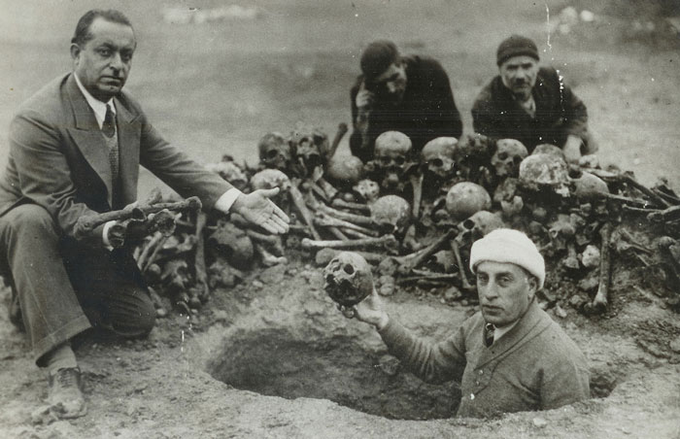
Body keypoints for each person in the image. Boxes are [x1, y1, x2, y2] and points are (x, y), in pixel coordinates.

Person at [0, 9, 289, 419]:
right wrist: (110, 229)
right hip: (34, 236)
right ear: (75, 53)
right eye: (105, 52)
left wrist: (238, 201)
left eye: (127, 55)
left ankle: (39, 305)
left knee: (137, 319)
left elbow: (172, 161)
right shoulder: (38, 118)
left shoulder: (125, 111)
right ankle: (60, 365)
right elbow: (58, 206)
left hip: (89, 240)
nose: (118, 65)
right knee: (27, 219)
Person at [352, 229, 590, 418]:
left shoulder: (561, 360)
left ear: (531, 286)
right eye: (483, 278)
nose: (489, 293)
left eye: (504, 280)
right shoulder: (479, 324)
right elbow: (432, 365)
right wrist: (381, 320)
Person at [471, 35, 595, 163]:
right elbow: (496, 155)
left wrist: (573, 142)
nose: (520, 76)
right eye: (511, 68)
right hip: (517, 160)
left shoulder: (550, 78)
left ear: (537, 66)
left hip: (555, 146)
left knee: (584, 138)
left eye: (527, 66)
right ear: (500, 70)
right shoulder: (485, 104)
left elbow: (577, 109)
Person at [349, 40, 463, 163]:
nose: (391, 88)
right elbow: (361, 155)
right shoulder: (364, 94)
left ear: (403, 64)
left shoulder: (430, 72)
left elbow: (453, 127)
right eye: (382, 84)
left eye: (394, 77)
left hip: (429, 158)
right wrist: (362, 119)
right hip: (393, 164)